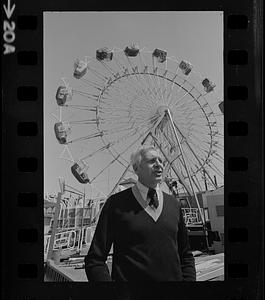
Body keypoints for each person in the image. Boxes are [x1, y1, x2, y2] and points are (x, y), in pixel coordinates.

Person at [85, 147, 196, 281]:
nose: (159, 164)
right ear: (136, 168)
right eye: (152, 161)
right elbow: (95, 259)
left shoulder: (174, 204)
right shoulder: (116, 204)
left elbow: (186, 255)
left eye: (161, 161)